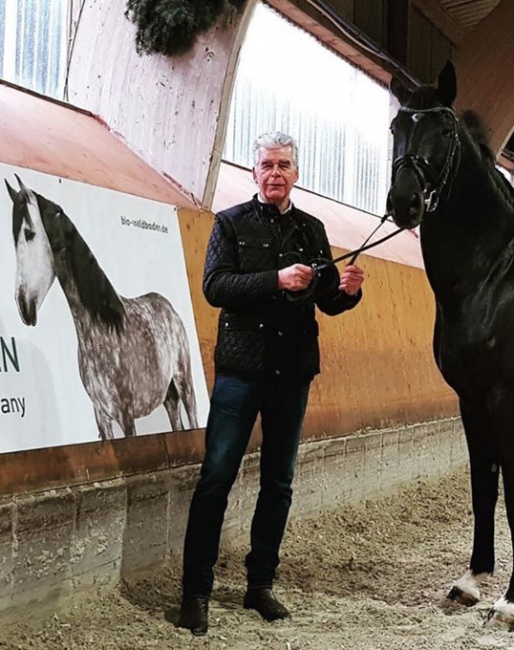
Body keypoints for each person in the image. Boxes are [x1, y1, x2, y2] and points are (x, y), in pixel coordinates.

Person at [177, 131, 365, 636]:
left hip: (292, 373)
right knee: (216, 478)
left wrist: (346, 292)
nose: (275, 173)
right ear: (253, 172)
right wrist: (276, 280)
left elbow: (326, 300)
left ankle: (260, 585)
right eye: (267, 164)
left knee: (278, 483)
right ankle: (195, 593)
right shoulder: (230, 224)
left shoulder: (312, 229)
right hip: (240, 374)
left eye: (284, 165)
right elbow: (215, 287)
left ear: (296, 174)